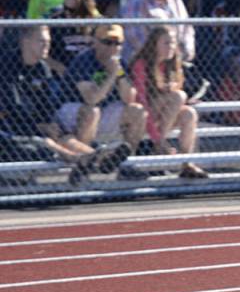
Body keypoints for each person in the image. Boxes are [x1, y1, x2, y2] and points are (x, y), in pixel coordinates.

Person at [0, 25, 130, 184]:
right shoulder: (6, 65)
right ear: (25, 42)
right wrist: (40, 126)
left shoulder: (42, 67)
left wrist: (50, 123)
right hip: (11, 125)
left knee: (65, 138)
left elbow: (46, 103)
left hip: (37, 123)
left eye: (48, 42)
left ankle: (96, 157)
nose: (46, 46)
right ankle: (85, 158)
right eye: (41, 41)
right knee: (48, 141)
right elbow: (12, 106)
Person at [56, 23, 148, 179]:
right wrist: (112, 75)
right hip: (72, 111)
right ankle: (83, 165)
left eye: (117, 43)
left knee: (137, 111)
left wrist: (118, 73)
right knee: (92, 111)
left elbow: (129, 98)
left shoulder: (119, 64)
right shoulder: (84, 60)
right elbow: (91, 98)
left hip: (103, 112)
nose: (112, 47)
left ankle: (125, 164)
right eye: (107, 42)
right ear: (95, 42)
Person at [129, 26, 207, 178]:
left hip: (163, 117)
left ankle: (187, 163)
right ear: (154, 44)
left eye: (173, 43)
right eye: (166, 43)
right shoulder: (141, 64)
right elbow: (142, 101)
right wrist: (157, 138)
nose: (171, 47)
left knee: (189, 114)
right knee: (178, 96)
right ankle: (159, 144)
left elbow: (176, 95)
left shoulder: (171, 65)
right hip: (142, 116)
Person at [47, 0, 101, 75]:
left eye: (72, 10)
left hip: (91, 73)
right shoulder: (56, 23)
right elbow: (42, 53)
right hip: (63, 75)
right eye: (65, 8)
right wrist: (57, 66)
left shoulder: (98, 25)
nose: (67, 14)